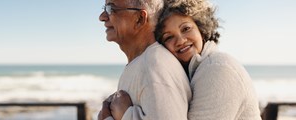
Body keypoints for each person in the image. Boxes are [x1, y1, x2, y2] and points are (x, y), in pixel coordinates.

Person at [106, 0, 262, 119]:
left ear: (201, 28)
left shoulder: (218, 70)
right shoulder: (195, 71)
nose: (180, 41)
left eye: (186, 29)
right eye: (169, 37)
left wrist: (125, 114)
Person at [98, 0, 192, 120]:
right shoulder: (145, 62)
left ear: (140, 19)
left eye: (111, 9)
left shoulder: (155, 67)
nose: (102, 17)